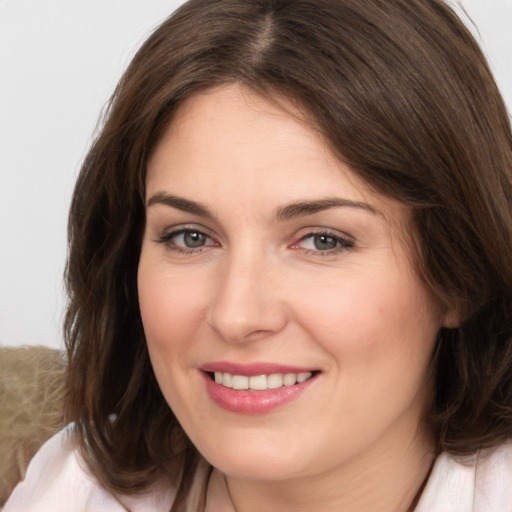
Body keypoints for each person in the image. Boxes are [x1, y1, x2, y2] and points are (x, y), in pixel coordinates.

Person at [4, 0, 512, 510]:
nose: (236, 315)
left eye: (322, 240)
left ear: (460, 276)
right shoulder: (74, 489)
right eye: (190, 237)